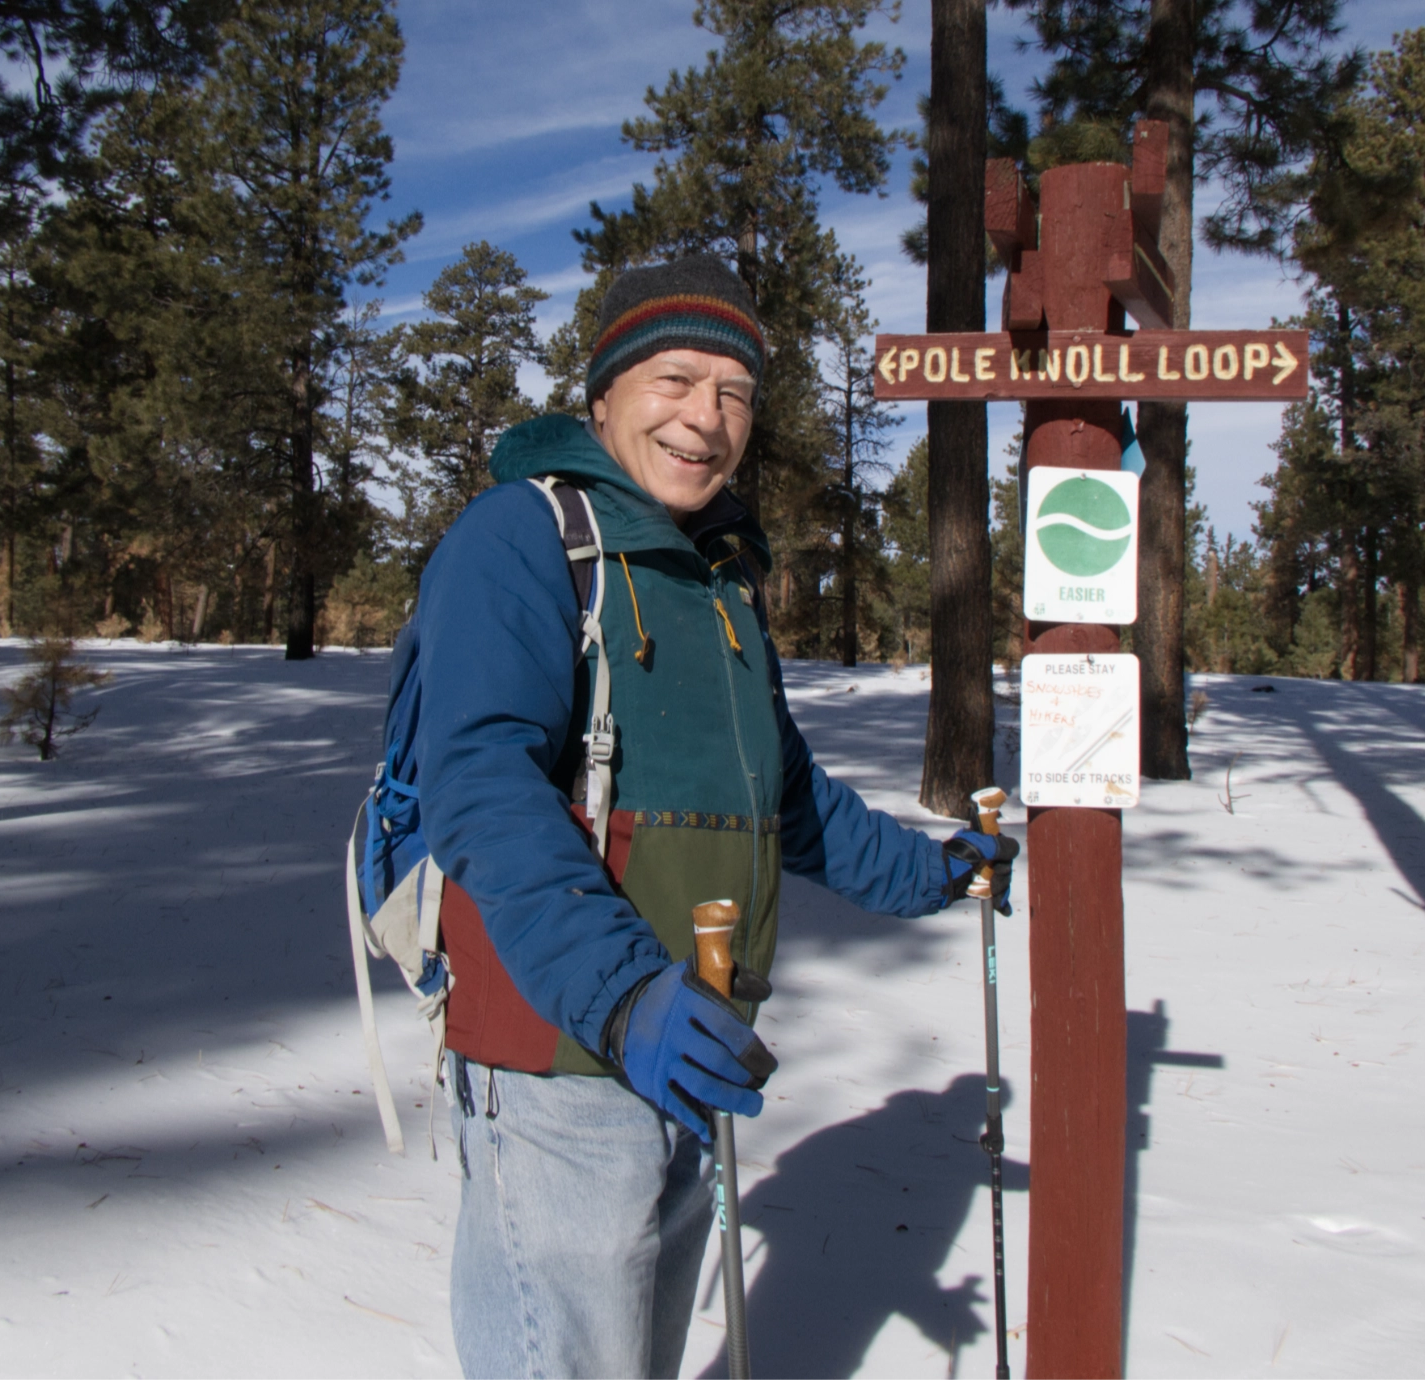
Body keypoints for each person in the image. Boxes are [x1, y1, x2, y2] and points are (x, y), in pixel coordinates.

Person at [405, 252, 1016, 1380]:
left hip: (690, 1044)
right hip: (564, 1048)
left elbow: (786, 799)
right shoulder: (519, 540)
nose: (707, 417)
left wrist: (936, 873)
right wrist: (626, 995)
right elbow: (480, 789)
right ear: (603, 395)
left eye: (734, 393)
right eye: (676, 380)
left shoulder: (715, 581)